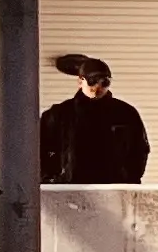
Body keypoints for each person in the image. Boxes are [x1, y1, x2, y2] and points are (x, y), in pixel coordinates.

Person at [39, 55, 149, 184]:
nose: (97, 87)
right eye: (92, 81)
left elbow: (140, 150)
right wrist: (51, 180)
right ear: (80, 81)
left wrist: (129, 180)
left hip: (113, 188)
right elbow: (38, 149)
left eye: (104, 82)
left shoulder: (126, 114)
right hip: (70, 188)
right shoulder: (59, 115)